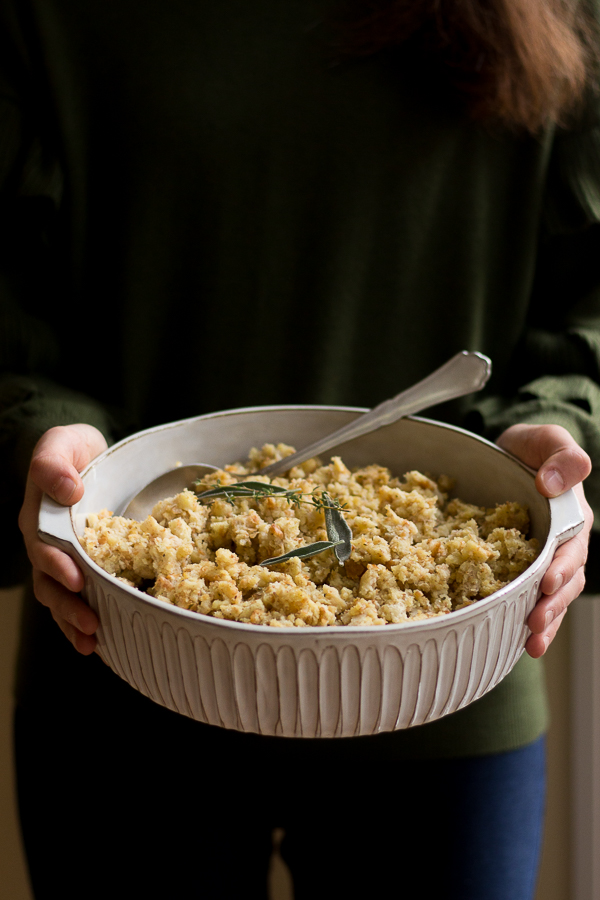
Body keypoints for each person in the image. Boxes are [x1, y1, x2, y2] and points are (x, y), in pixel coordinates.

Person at [2, 0, 599, 897]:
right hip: (122, 663)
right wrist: (39, 434)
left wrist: (558, 442)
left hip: (443, 680)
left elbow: (587, 303)